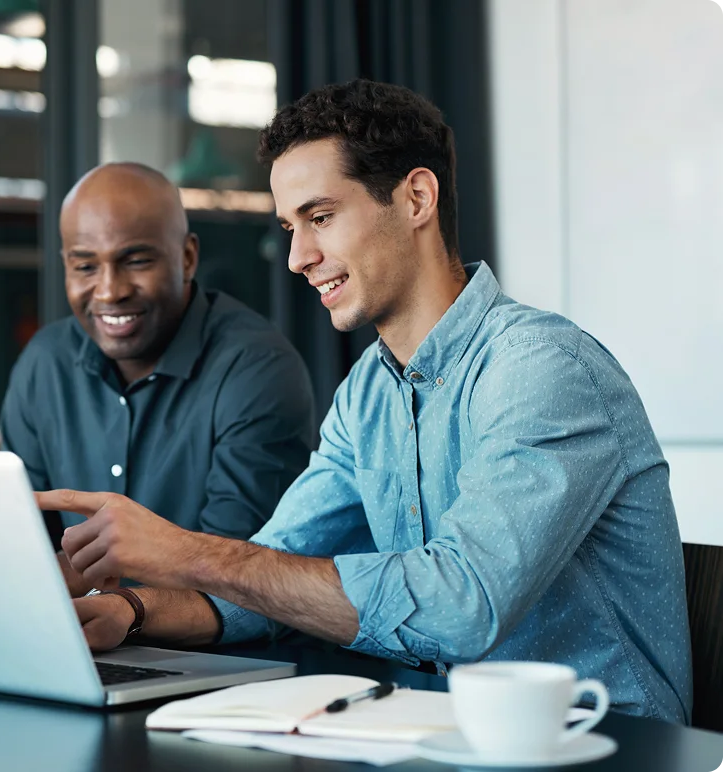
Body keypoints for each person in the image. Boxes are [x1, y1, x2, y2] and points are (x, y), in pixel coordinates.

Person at [37, 81, 693, 723]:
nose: (298, 257)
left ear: (415, 198)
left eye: (320, 217)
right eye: (290, 227)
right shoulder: (367, 395)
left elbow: (461, 608)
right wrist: (134, 612)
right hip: (439, 735)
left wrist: (188, 551)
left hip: (602, 744)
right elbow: (268, 582)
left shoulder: (541, 369)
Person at [0, 162, 316, 598]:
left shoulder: (255, 367)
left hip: (227, 660)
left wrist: (123, 613)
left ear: (187, 258)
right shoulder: (45, 363)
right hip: (80, 645)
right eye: (85, 267)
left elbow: (240, 574)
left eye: (135, 261)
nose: (109, 291)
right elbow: (15, 543)